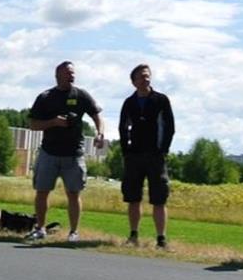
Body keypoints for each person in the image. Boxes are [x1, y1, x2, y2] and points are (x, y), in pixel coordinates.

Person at [26, 61, 104, 242]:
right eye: (68, 73)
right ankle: (40, 228)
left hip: (74, 153)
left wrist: (100, 133)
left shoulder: (81, 95)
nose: (72, 75)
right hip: (49, 152)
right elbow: (33, 124)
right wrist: (53, 122)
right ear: (58, 75)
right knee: (42, 191)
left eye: (73, 73)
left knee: (74, 193)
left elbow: (96, 115)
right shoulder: (46, 96)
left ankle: (74, 232)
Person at [117, 64, 174, 248]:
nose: (146, 79)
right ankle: (133, 236)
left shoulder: (161, 100)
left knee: (159, 198)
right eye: (141, 77)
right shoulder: (129, 102)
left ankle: (161, 239)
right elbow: (123, 127)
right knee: (133, 197)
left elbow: (169, 127)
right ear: (134, 82)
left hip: (155, 156)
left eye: (148, 76)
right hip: (134, 156)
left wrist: (163, 149)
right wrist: (126, 150)